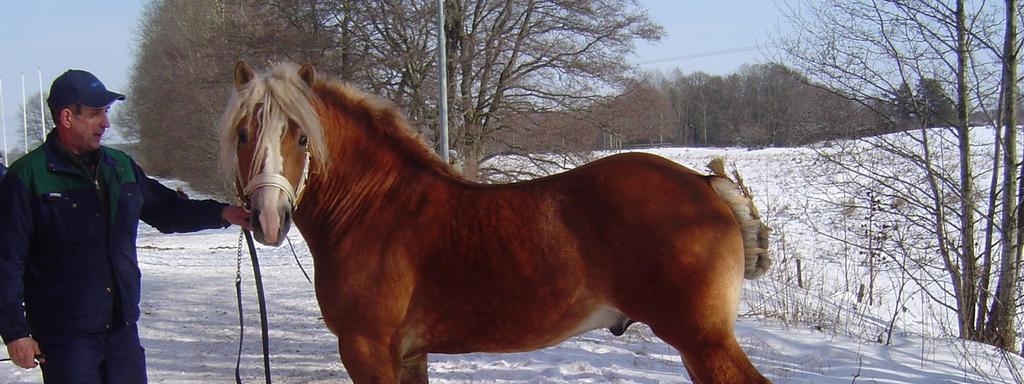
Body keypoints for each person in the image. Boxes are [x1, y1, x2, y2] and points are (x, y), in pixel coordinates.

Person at [0, 69, 251, 382]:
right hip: (65, 338)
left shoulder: (120, 167)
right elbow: (8, 261)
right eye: (95, 114)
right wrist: (15, 332)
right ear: (66, 117)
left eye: (105, 113)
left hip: (121, 330)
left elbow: (168, 211)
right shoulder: (27, 177)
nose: (105, 123)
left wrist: (224, 213)